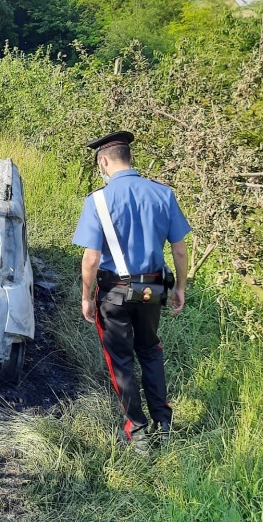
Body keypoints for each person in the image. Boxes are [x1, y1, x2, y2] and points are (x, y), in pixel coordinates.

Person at [72, 131, 190, 453]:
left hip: (114, 294)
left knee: (121, 360)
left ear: (104, 161)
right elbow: (179, 251)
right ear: (129, 158)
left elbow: (91, 258)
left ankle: (137, 433)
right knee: (151, 351)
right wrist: (179, 286)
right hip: (152, 291)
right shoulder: (163, 194)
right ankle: (163, 425)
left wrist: (85, 297)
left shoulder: (97, 200)